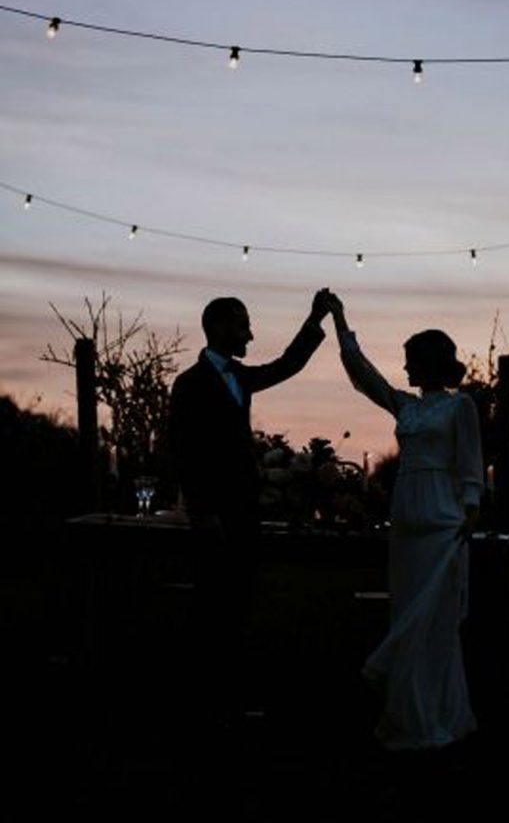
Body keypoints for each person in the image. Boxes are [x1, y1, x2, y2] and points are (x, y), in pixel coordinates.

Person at [327, 293, 484, 750]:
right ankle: (405, 714)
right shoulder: (406, 406)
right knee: (404, 614)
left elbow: (471, 464)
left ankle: (438, 717)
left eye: (411, 360)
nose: (405, 369)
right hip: (406, 522)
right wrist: (339, 319)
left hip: (441, 521)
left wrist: (470, 511)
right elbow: (362, 373)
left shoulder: (460, 408)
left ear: (429, 362)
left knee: (434, 624)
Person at [168, 291, 330, 728]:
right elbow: (183, 451)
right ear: (220, 327)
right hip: (213, 515)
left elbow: (286, 365)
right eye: (242, 326)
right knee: (210, 607)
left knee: (238, 604)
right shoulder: (189, 384)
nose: (250, 334)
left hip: (243, 511)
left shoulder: (240, 376)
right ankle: (201, 702)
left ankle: (229, 697)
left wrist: (315, 320)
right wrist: (202, 511)